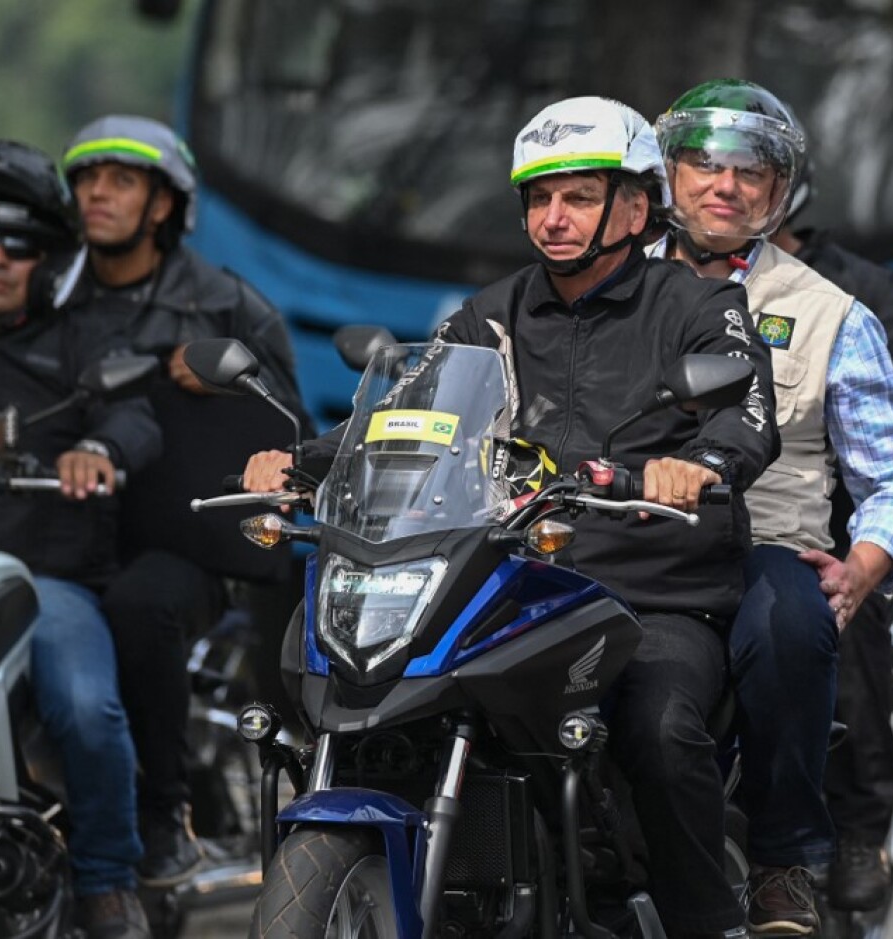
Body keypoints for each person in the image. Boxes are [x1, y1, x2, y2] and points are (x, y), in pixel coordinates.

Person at [243, 95, 778, 939]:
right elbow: (403, 415)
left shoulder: (698, 306)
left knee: (660, 725)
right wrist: (308, 463)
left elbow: (746, 416)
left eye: (575, 196)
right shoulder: (488, 313)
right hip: (512, 580)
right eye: (537, 198)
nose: (552, 217)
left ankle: (710, 924)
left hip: (649, 592)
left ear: (634, 208)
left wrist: (699, 466)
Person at [654, 79, 893, 935]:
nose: (724, 186)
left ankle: (788, 860)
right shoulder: (612, 286)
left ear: (780, 194)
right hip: (616, 545)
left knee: (794, 621)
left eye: (750, 172)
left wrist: (864, 564)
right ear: (667, 176)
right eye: (704, 164)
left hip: (763, 549)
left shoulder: (830, 313)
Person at [58, 114, 312, 887]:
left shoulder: (223, 305)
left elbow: (291, 437)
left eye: (122, 180)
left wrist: (231, 384)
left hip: (183, 546)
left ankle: (164, 816)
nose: (98, 194)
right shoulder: (48, 292)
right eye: (86, 179)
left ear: (163, 204)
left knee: (142, 604)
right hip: (58, 535)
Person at [0, 141, 163, 938]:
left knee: (85, 706)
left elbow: (133, 417)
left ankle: (107, 879)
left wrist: (98, 451)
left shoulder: (83, 339)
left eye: (19, 245)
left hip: (46, 585)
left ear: (46, 259)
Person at [770, 154, 893, 911]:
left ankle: (855, 822)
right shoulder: (671, 280)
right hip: (686, 524)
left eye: (749, 176)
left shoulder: (858, 294)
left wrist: (842, 380)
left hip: (832, 522)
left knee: (845, 613)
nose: (727, 191)